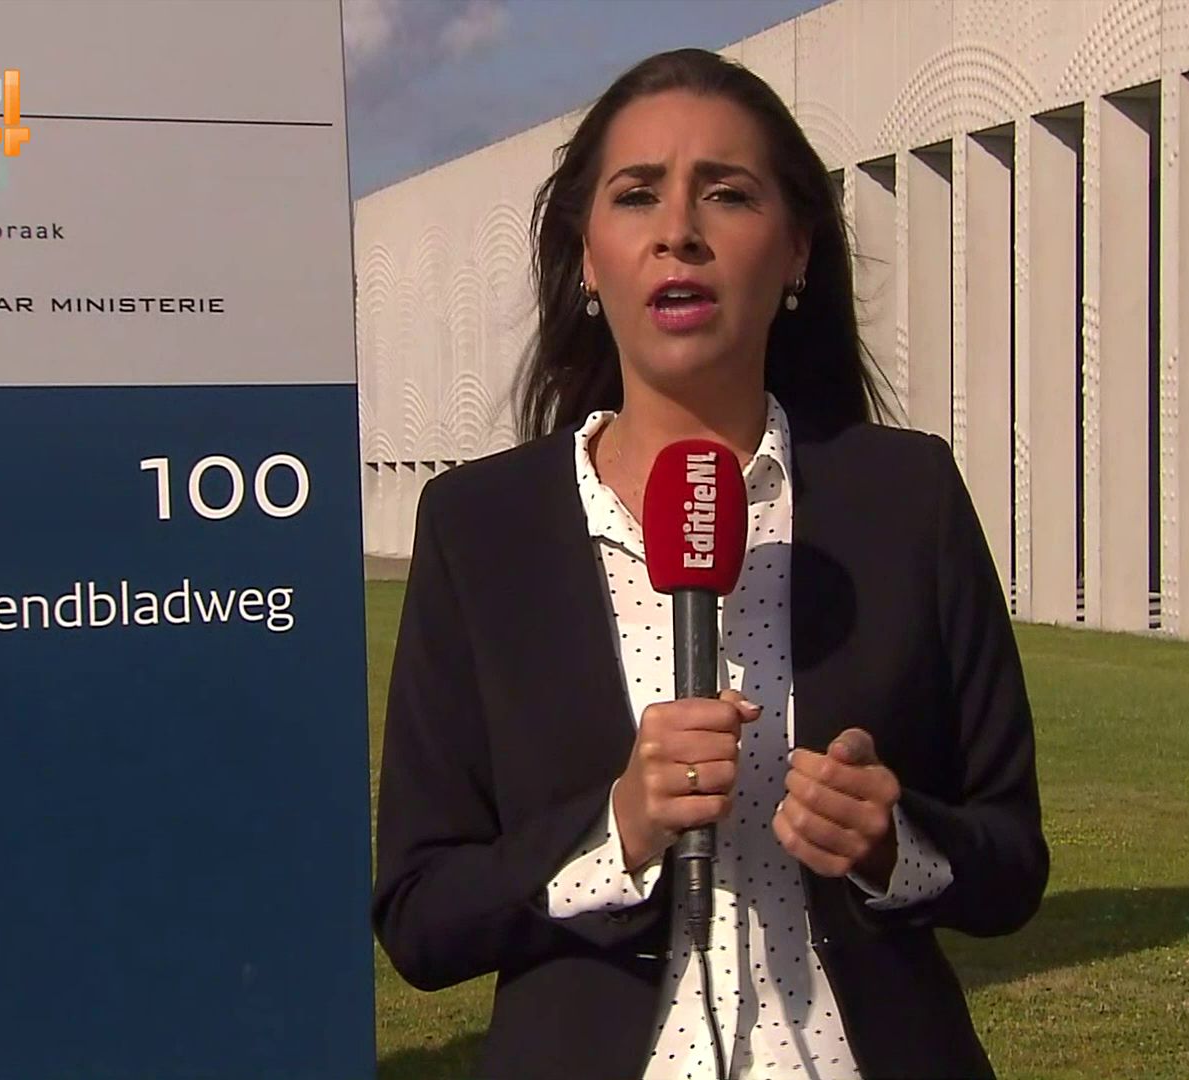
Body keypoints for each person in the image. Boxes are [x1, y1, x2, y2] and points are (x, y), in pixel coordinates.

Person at [372, 47, 1047, 1080]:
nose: (678, 231)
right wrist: (617, 830)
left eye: (727, 194)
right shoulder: (481, 528)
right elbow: (422, 916)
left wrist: (891, 841)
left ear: (796, 251)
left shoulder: (906, 498)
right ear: (587, 257)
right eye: (637, 194)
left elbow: (1010, 862)